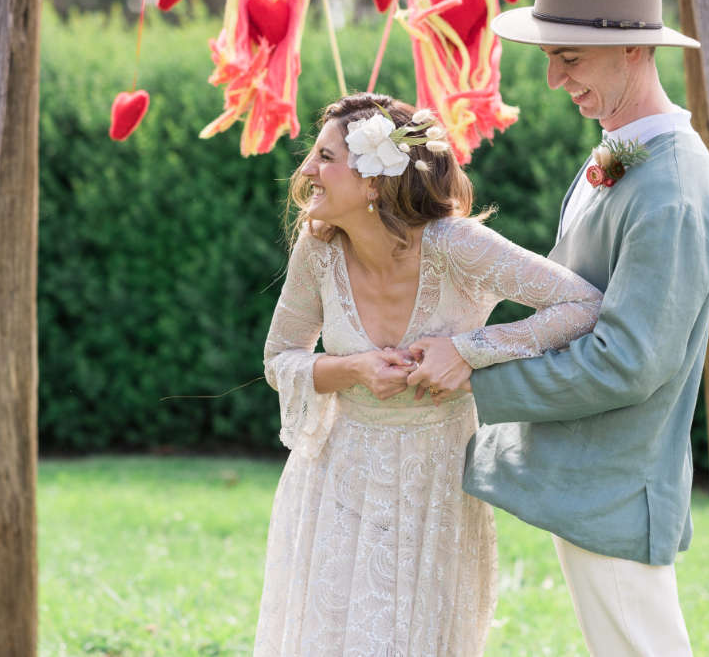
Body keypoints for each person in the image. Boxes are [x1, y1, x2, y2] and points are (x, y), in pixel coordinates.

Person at [407, 0, 709, 655]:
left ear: (635, 52)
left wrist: (473, 383)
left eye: (571, 59)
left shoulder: (671, 188)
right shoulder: (620, 151)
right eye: (552, 57)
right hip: (590, 478)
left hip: (616, 485)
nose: (553, 79)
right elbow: (568, 296)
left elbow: (626, 364)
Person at [254, 92, 603, 656]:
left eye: (325, 157)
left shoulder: (455, 245)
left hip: (434, 482)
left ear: (373, 183)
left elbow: (581, 305)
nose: (307, 171)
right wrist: (353, 368)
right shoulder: (316, 249)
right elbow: (279, 359)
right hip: (333, 478)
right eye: (312, 156)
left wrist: (468, 350)